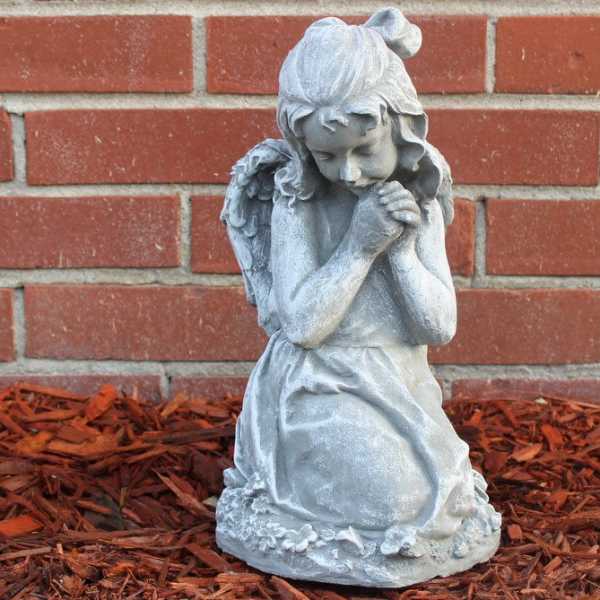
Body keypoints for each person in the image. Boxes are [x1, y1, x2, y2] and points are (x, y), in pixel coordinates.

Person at [217, 8, 500, 586]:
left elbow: (438, 326)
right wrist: (360, 246)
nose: (346, 173)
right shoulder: (297, 199)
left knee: (421, 500)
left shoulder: (417, 198)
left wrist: (400, 251)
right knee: (394, 503)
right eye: (326, 155)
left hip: (402, 383)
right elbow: (303, 326)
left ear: (401, 127)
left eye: (364, 149)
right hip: (317, 385)